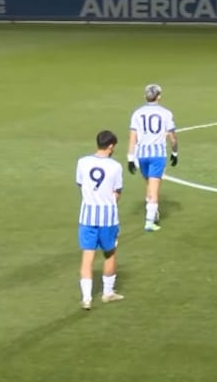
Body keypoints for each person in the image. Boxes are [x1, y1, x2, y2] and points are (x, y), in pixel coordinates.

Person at [76, 130, 125, 310]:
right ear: (111, 146)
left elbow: (81, 184)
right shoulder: (115, 167)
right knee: (110, 253)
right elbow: (117, 192)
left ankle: (87, 298)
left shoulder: (82, 162)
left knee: (87, 256)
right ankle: (108, 293)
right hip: (108, 217)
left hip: (87, 215)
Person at [126, 84, 179, 232]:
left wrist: (130, 158)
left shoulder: (137, 113)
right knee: (154, 188)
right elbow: (173, 138)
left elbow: (132, 137)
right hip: (157, 155)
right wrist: (175, 153)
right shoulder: (166, 113)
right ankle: (150, 221)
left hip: (141, 154)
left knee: (149, 185)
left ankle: (152, 211)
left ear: (145, 96)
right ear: (159, 96)